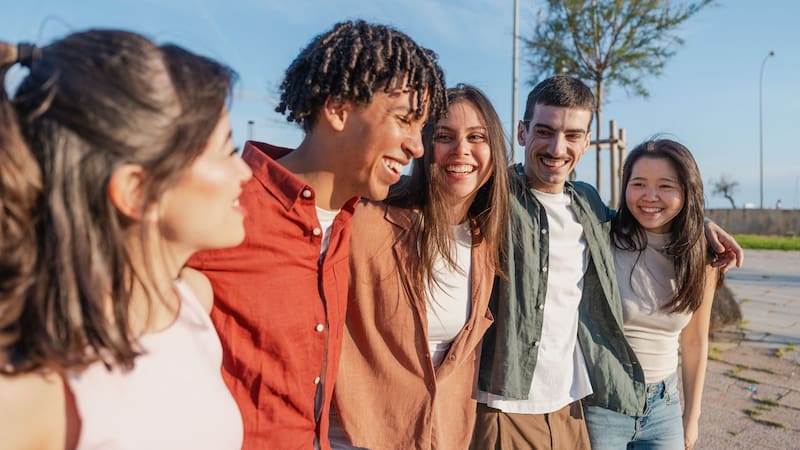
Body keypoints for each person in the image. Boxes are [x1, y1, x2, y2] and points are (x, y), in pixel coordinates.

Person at [185, 20, 447, 450]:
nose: (418, 147)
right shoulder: (222, 205)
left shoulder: (350, 221)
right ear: (339, 109)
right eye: (404, 120)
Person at [0, 30, 251, 449]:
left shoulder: (191, 302)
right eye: (227, 151)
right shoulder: (33, 392)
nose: (245, 173)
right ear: (138, 190)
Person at [471, 75, 743, 449]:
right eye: (544, 131)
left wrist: (703, 225)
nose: (557, 147)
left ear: (586, 143)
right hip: (520, 400)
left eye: (572, 135)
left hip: (579, 403)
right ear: (522, 132)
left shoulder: (590, 207)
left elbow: (650, 218)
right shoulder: (496, 194)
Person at [330, 84, 509, 450]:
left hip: (439, 434)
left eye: (477, 136)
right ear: (424, 147)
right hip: (360, 434)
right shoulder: (368, 220)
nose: (461, 150)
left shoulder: (482, 239)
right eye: (444, 136)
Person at [583, 139, 719, 450]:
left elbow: (695, 341)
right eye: (639, 183)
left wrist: (691, 418)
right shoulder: (603, 239)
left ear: (687, 190)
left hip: (664, 406)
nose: (650, 196)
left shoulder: (701, 255)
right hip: (601, 406)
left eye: (665, 186)